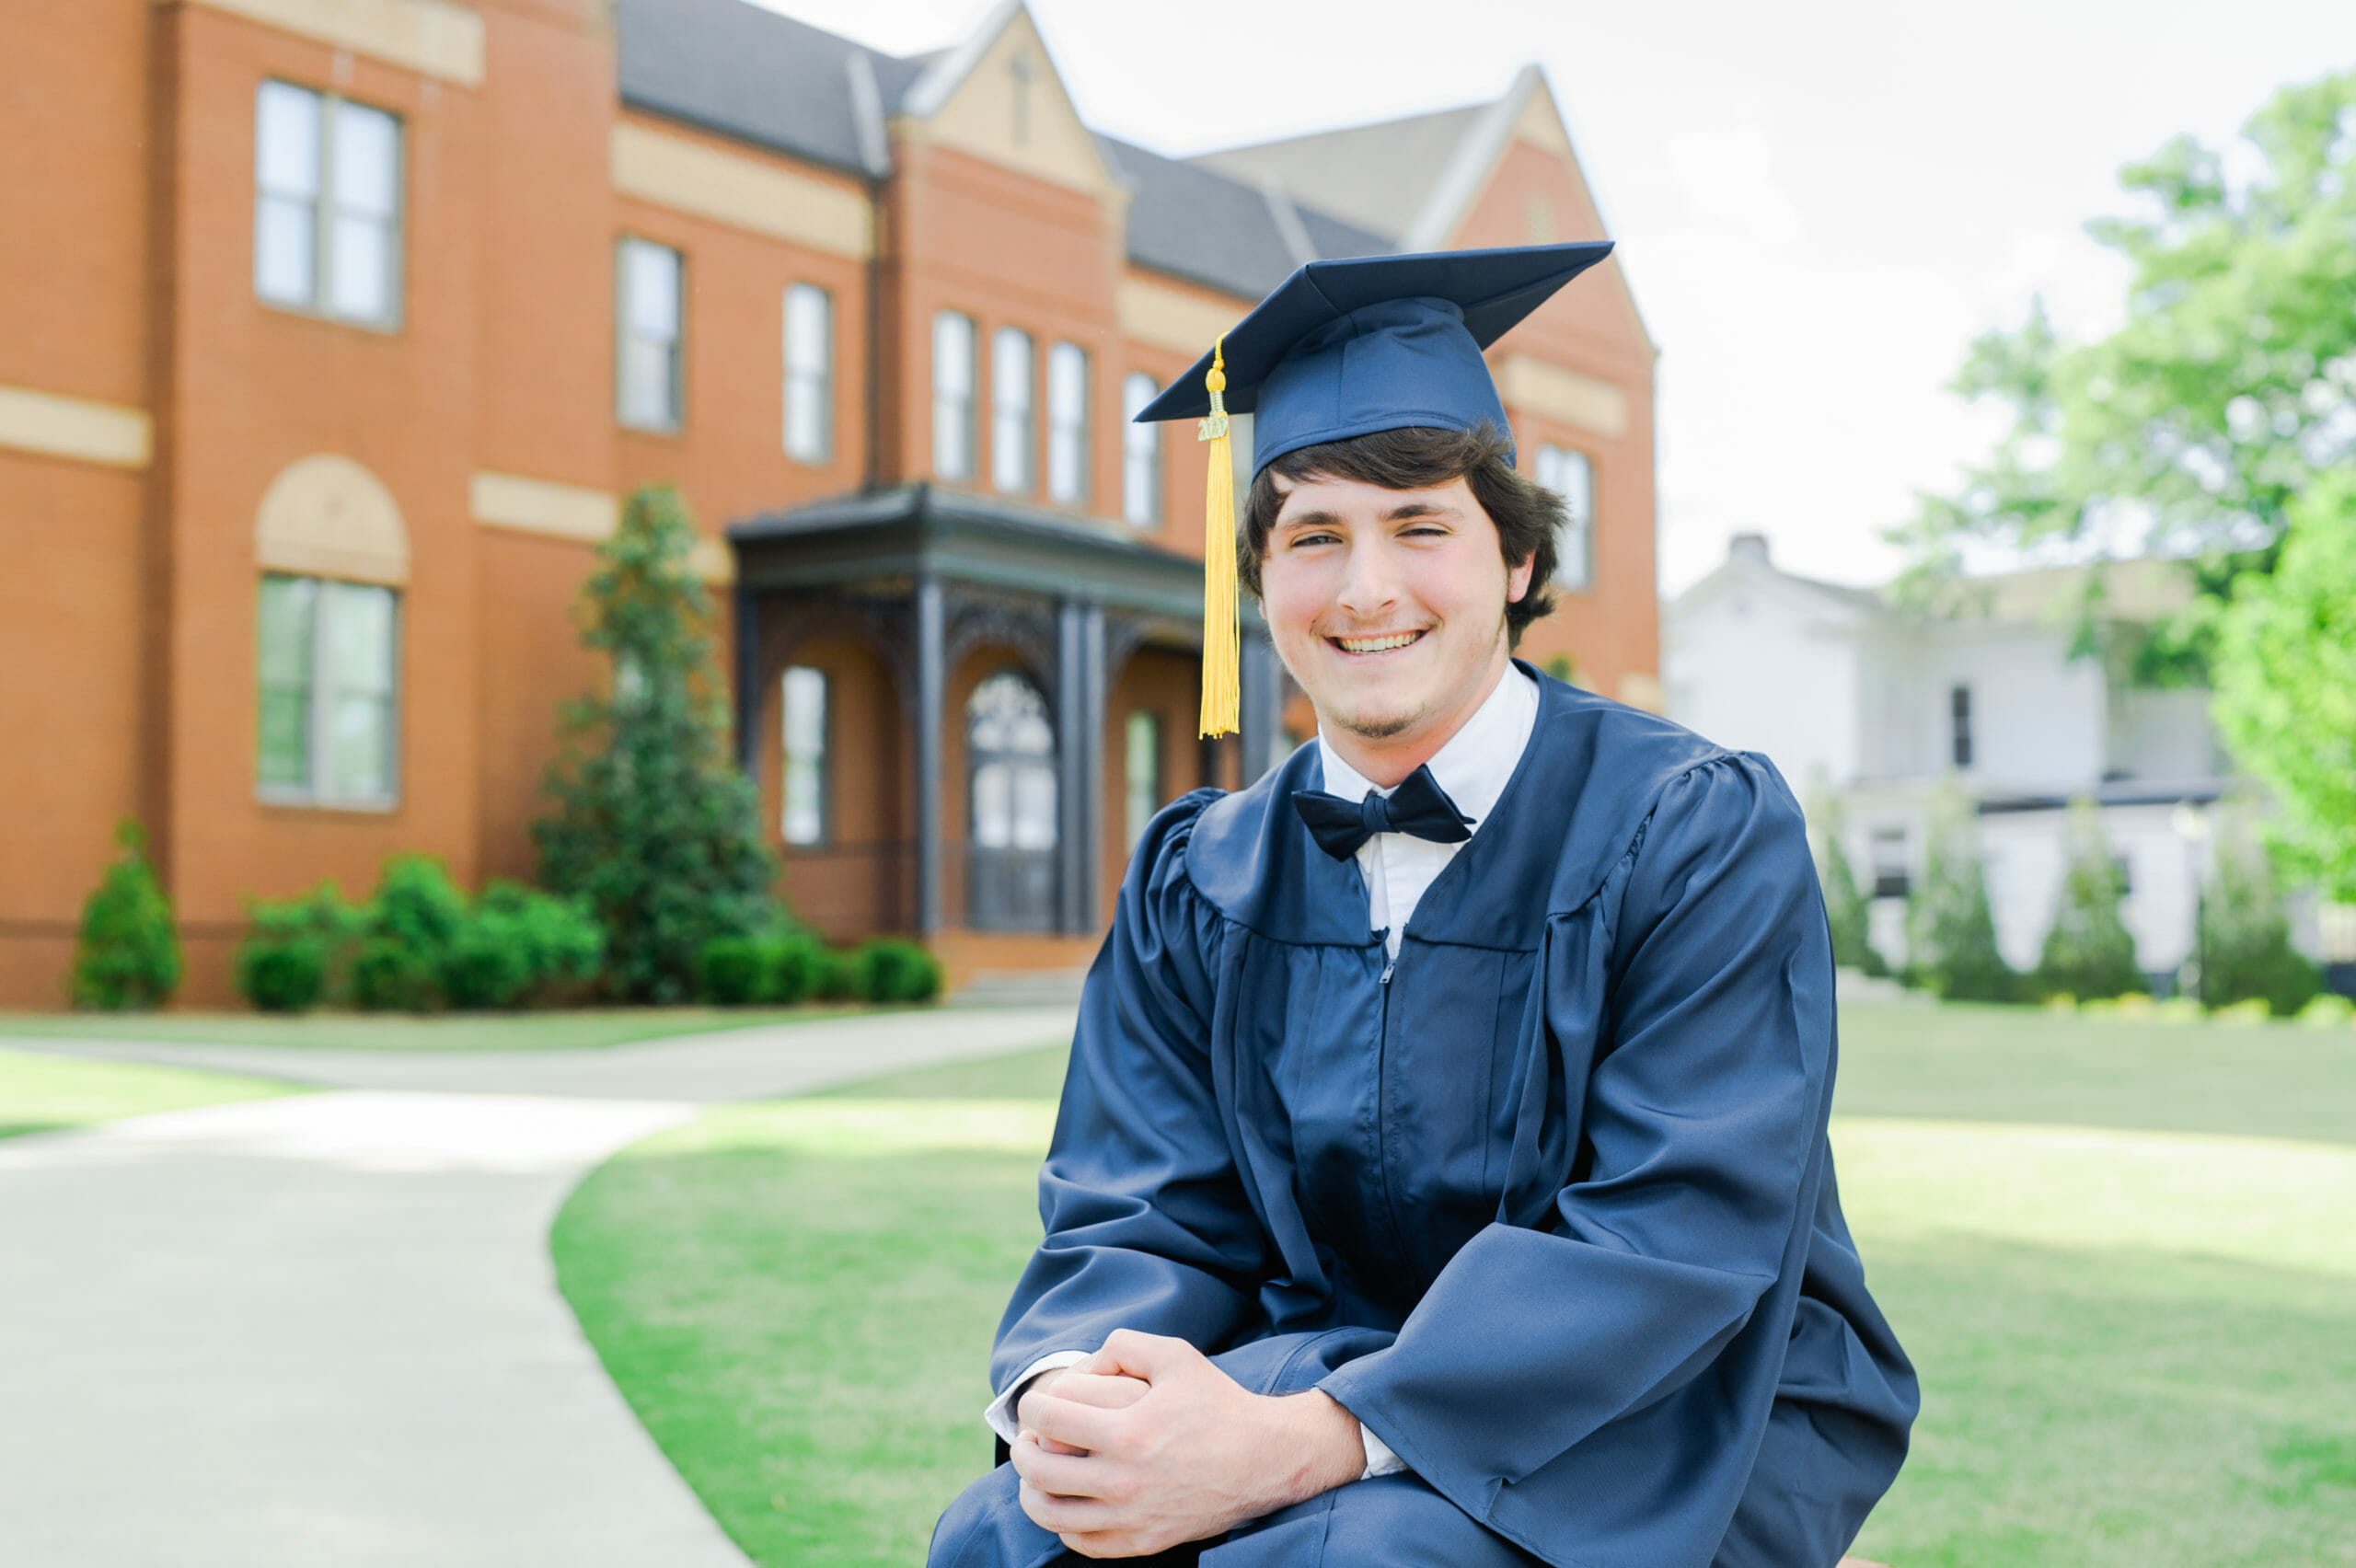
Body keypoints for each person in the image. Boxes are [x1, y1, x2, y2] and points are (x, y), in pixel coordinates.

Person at [927, 244, 1917, 1568]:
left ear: (1514, 559)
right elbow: (1137, 1204)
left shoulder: (1692, 827)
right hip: (1311, 1376)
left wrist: (1310, 1438)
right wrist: (1068, 1400)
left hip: (1670, 1407)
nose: (1366, 589)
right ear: (1260, 584)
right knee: (1007, 1537)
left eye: (1419, 527)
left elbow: (1675, 1231)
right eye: (1314, 538)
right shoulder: (1200, 873)